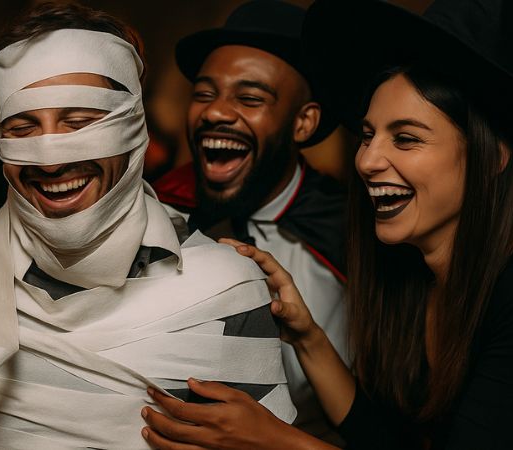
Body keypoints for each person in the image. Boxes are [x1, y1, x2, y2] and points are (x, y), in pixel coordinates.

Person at [141, 0, 513, 448]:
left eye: (405, 138)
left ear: (493, 156)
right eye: (367, 135)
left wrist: (273, 441)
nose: (367, 160)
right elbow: (386, 440)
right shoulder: (411, 275)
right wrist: (307, 335)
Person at [0, 3, 295, 448]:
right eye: (23, 127)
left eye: (81, 123)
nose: (52, 158)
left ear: (132, 127)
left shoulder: (227, 291)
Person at [152, 0, 349, 442]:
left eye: (250, 98)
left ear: (303, 122)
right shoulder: (153, 211)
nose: (216, 112)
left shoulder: (354, 238)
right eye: (204, 93)